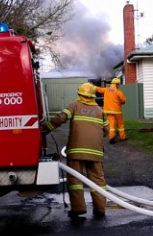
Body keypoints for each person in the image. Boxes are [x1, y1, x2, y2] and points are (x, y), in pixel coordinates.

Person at [43, 82, 110, 220]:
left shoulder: (74, 106)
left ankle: (78, 208)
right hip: (95, 152)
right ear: (92, 96)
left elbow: (61, 118)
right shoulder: (100, 111)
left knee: (75, 180)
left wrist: (46, 129)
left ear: (79, 94)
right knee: (98, 181)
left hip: (76, 152)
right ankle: (100, 209)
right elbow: (106, 131)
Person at [96, 77, 127, 144]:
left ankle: (111, 136)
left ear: (112, 83)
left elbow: (98, 89)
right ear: (117, 84)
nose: (119, 85)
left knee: (111, 124)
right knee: (120, 125)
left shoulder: (106, 89)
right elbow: (123, 100)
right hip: (117, 111)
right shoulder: (118, 92)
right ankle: (122, 137)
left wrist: (92, 87)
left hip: (108, 111)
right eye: (119, 84)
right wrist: (121, 102)